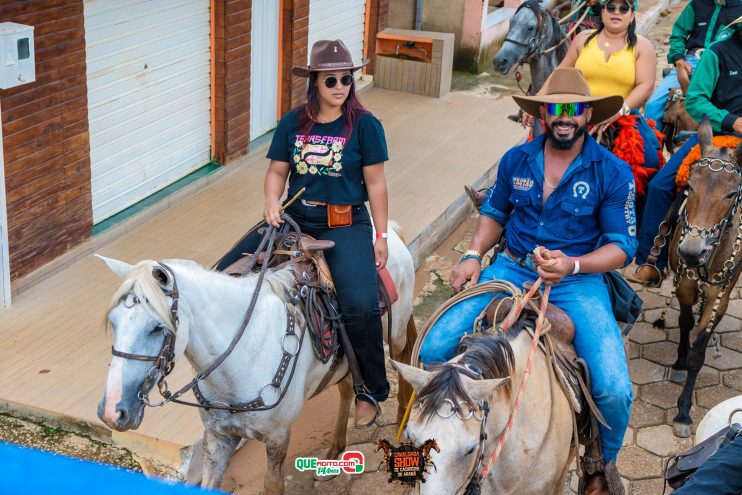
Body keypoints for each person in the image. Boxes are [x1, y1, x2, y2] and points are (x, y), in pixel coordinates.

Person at [420, 68, 636, 493]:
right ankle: (443, 442)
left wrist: (572, 265)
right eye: (556, 107)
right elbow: (494, 212)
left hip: (576, 281)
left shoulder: (612, 172)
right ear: (542, 113)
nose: (564, 116)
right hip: (510, 269)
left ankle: (597, 464)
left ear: (588, 115)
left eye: (574, 108)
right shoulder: (516, 159)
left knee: (614, 387)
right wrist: (471, 255)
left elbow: (622, 247)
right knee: (432, 347)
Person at [214, 39, 390, 428]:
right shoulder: (294, 122)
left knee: (360, 303)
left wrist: (381, 236)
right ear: (314, 82)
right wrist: (271, 201)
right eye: (331, 81)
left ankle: (371, 389)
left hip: (343, 224)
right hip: (293, 221)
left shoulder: (365, 126)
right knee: (222, 274)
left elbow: (376, 184)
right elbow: (277, 171)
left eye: (346, 79)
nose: (341, 87)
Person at [629, 16, 742, 285]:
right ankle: (651, 260)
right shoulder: (718, 53)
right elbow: (695, 100)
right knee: (660, 186)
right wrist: (730, 120)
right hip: (718, 135)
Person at [526, 0, 662, 203]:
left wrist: (618, 110)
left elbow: (645, 86)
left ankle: (639, 224)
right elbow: (559, 73)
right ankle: (501, 202)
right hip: (574, 112)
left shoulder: (642, 46)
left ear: (632, 15)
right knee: (530, 152)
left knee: (650, 162)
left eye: (623, 8)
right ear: (603, 12)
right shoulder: (583, 39)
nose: (617, 12)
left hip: (620, 115)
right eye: (611, 7)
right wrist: (535, 101)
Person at [645, 0, 742, 129]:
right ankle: (651, 146)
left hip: (726, 62)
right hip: (692, 61)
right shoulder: (697, 4)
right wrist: (679, 59)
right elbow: (679, 33)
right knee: (653, 105)